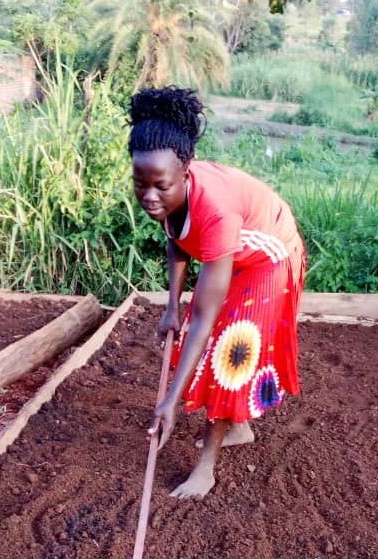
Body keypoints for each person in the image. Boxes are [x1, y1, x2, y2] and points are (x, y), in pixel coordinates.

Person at [128, 85, 307, 500]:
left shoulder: (216, 212)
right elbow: (177, 238)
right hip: (233, 253)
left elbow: (205, 321)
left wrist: (170, 401)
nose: (149, 197)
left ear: (185, 174)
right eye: (140, 184)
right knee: (203, 333)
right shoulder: (166, 187)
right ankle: (238, 426)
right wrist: (171, 308)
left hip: (270, 257)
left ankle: (205, 468)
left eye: (160, 187)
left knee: (229, 349)